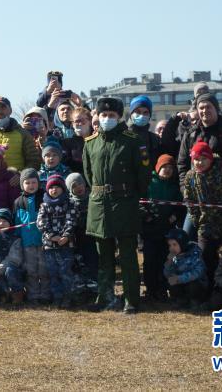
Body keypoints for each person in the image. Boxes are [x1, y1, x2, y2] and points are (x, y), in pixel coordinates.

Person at [82, 96, 148, 314]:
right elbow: (89, 175)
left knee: (129, 256)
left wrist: (129, 195)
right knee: (104, 257)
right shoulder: (91, 143)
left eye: (111, 115)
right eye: (103, 115)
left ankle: (131, 299)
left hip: (125, 203)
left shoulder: (132, 140)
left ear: (120, 117)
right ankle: (105, 297)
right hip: (99, 206)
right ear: (97, 117)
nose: (107, 118)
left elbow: (143, 175)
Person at [182, 141, 222, 284]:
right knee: (204, 259)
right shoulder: (190, 176)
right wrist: (197, 219)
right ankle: (205, 292)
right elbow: (189, 200)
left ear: (210, 158)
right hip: (204, 226)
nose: (199, 162)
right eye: (196, 159)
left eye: (203, 159)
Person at [141, 155, 182, 302]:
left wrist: (175, 216)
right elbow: (140, 202)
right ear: (158, 168)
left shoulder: (174, 186)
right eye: (165, 167)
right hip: (150, 229)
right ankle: (150, 289)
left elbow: (180, 206)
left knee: (165, 260)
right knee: (150, 260)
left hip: (167, 229)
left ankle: (162, 288)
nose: (168, 170)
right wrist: (147, 216)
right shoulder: (148, 183)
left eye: (171, 168)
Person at [37, 174, 79, 308]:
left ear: (63, 188)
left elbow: (71, 220)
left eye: (57, 187)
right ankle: (57, 297)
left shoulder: (70, 203)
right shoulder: (44, 205)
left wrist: (65, 236)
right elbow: (41, 222)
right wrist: (51, 236)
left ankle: (68, 296)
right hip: (50, 246)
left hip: (67, 244)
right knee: (53, 272)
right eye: (51, 188)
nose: (53, 190)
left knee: (65, 271)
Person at [0, 96, 42, 171]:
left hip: (16, 182)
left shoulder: (23, 134)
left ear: (10, 110)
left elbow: (34, 161)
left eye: (3, 107)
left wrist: (21, 176)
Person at [13, 168, 48, 304]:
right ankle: (33, 295)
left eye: (34, 182)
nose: (31, 185)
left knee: (44, 270)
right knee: (31, 270)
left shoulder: (44, 197)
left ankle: (45, 294)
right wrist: (18, 237)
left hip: (43, 240)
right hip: (27, 242)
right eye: (28, 183)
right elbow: (17, 222)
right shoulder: (18, 202)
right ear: (22, 185)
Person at [0, 208, 25, 303]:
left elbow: (13, 259)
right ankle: (3, 294)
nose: (1, 224)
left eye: (5, 221)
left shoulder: (16, 239)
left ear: (10, 223)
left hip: (14, 270)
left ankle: (18, 293)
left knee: (10, 270)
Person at [163, 227, 207, 310]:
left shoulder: (195, 253)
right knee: (171, 281)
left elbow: (198, 272)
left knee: (194, 285)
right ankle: (180, 300)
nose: (172, 248)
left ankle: (195, 301)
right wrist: (169, 263)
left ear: (182, 244)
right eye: (170, 245)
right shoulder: (174, 257)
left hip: (196, 285)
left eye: (175, 244)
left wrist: (179, 278)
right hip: (182, 283)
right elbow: (167, 274)